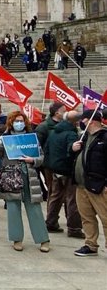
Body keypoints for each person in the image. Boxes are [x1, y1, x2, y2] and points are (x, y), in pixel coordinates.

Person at [0, 111, 50, 252]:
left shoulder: (31, 138)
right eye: (16, 121)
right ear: (11, 122)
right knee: (13, 209)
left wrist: (33, 160)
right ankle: (17, 239)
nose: (19, 123)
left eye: (21, 120)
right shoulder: (5, 138)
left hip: (29, 176)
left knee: (34, 209)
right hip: (11, 177)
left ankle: (43, 239)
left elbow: (41, 157)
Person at [71, 110, 107, 257]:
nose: (81, 123)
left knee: (105, 217)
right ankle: (90, 244)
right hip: (81, 185)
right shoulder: (84, 137)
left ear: (91, 121)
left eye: (83, 120)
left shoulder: (104, 137)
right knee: (86, 217)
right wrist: (72, 149)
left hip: (99, 185)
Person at [44, 110, 84, 238]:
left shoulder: (54, 131)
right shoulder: (71, 134)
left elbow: (47, 149)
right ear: (76, 122)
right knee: (72, 199)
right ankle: (74, 228)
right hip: (67, 170)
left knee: (55, 196)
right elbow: (71, 151)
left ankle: (50, 222)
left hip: (55, 169)